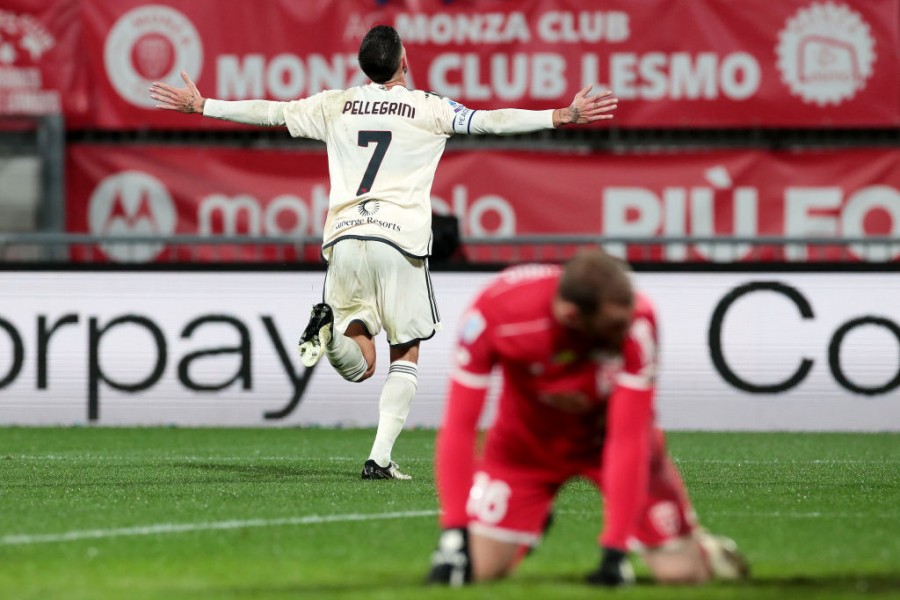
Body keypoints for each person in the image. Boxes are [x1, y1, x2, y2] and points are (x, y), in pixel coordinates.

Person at [149, 25, 618, 480]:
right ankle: (379, 457)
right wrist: (561, 115)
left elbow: (270, 112)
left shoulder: (336, 105)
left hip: (346, 238)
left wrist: (204, 105)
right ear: (404, 61)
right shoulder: (429, 108)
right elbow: (492, 121)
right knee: (404, 353)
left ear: (364, 66)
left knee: (359, 362)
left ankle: (329, 334)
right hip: (399, 241)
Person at [427, 248, 749, 586]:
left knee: (681, 576)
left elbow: (628, 438)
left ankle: (701, 546)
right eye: (614, 324)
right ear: (571, 316)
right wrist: (454, 532)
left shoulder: (638, 321)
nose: (627, 328)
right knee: (475, 570)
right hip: (526, 449)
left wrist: (615, 550)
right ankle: (529, 523)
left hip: (605, 442)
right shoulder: (496, 313)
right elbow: (459, 427)